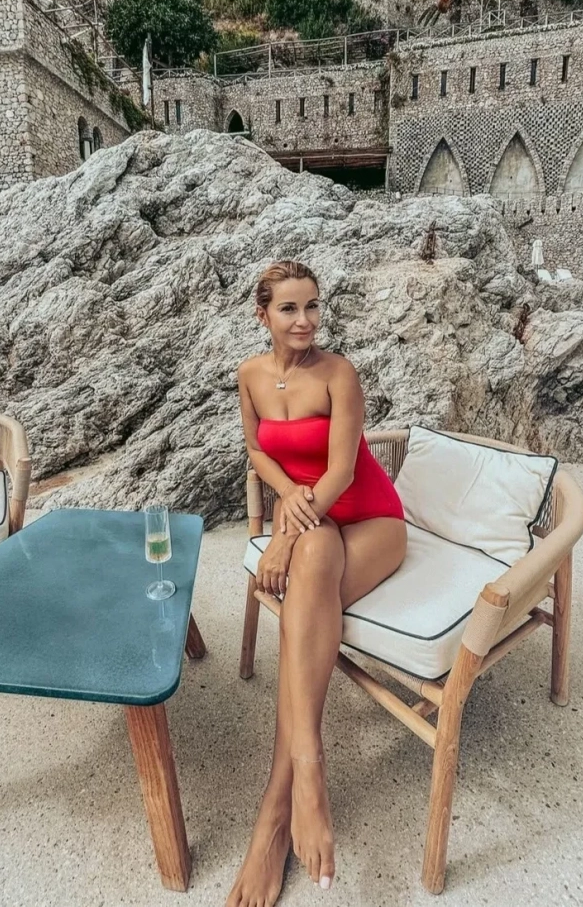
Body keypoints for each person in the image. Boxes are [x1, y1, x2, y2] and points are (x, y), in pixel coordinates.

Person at [228, 260, 408, 907]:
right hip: (313, 520)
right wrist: (284, 498)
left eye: (312, 306)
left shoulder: (339, 373)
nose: (304, 320)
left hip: (369, 519)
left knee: (300, 619)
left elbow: (340, 473)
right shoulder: (250, 374)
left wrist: (282, 535)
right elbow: (257, 451)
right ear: (263, 315)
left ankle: (285, 802)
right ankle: (299, 783)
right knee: (309, 602)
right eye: (288, 308)